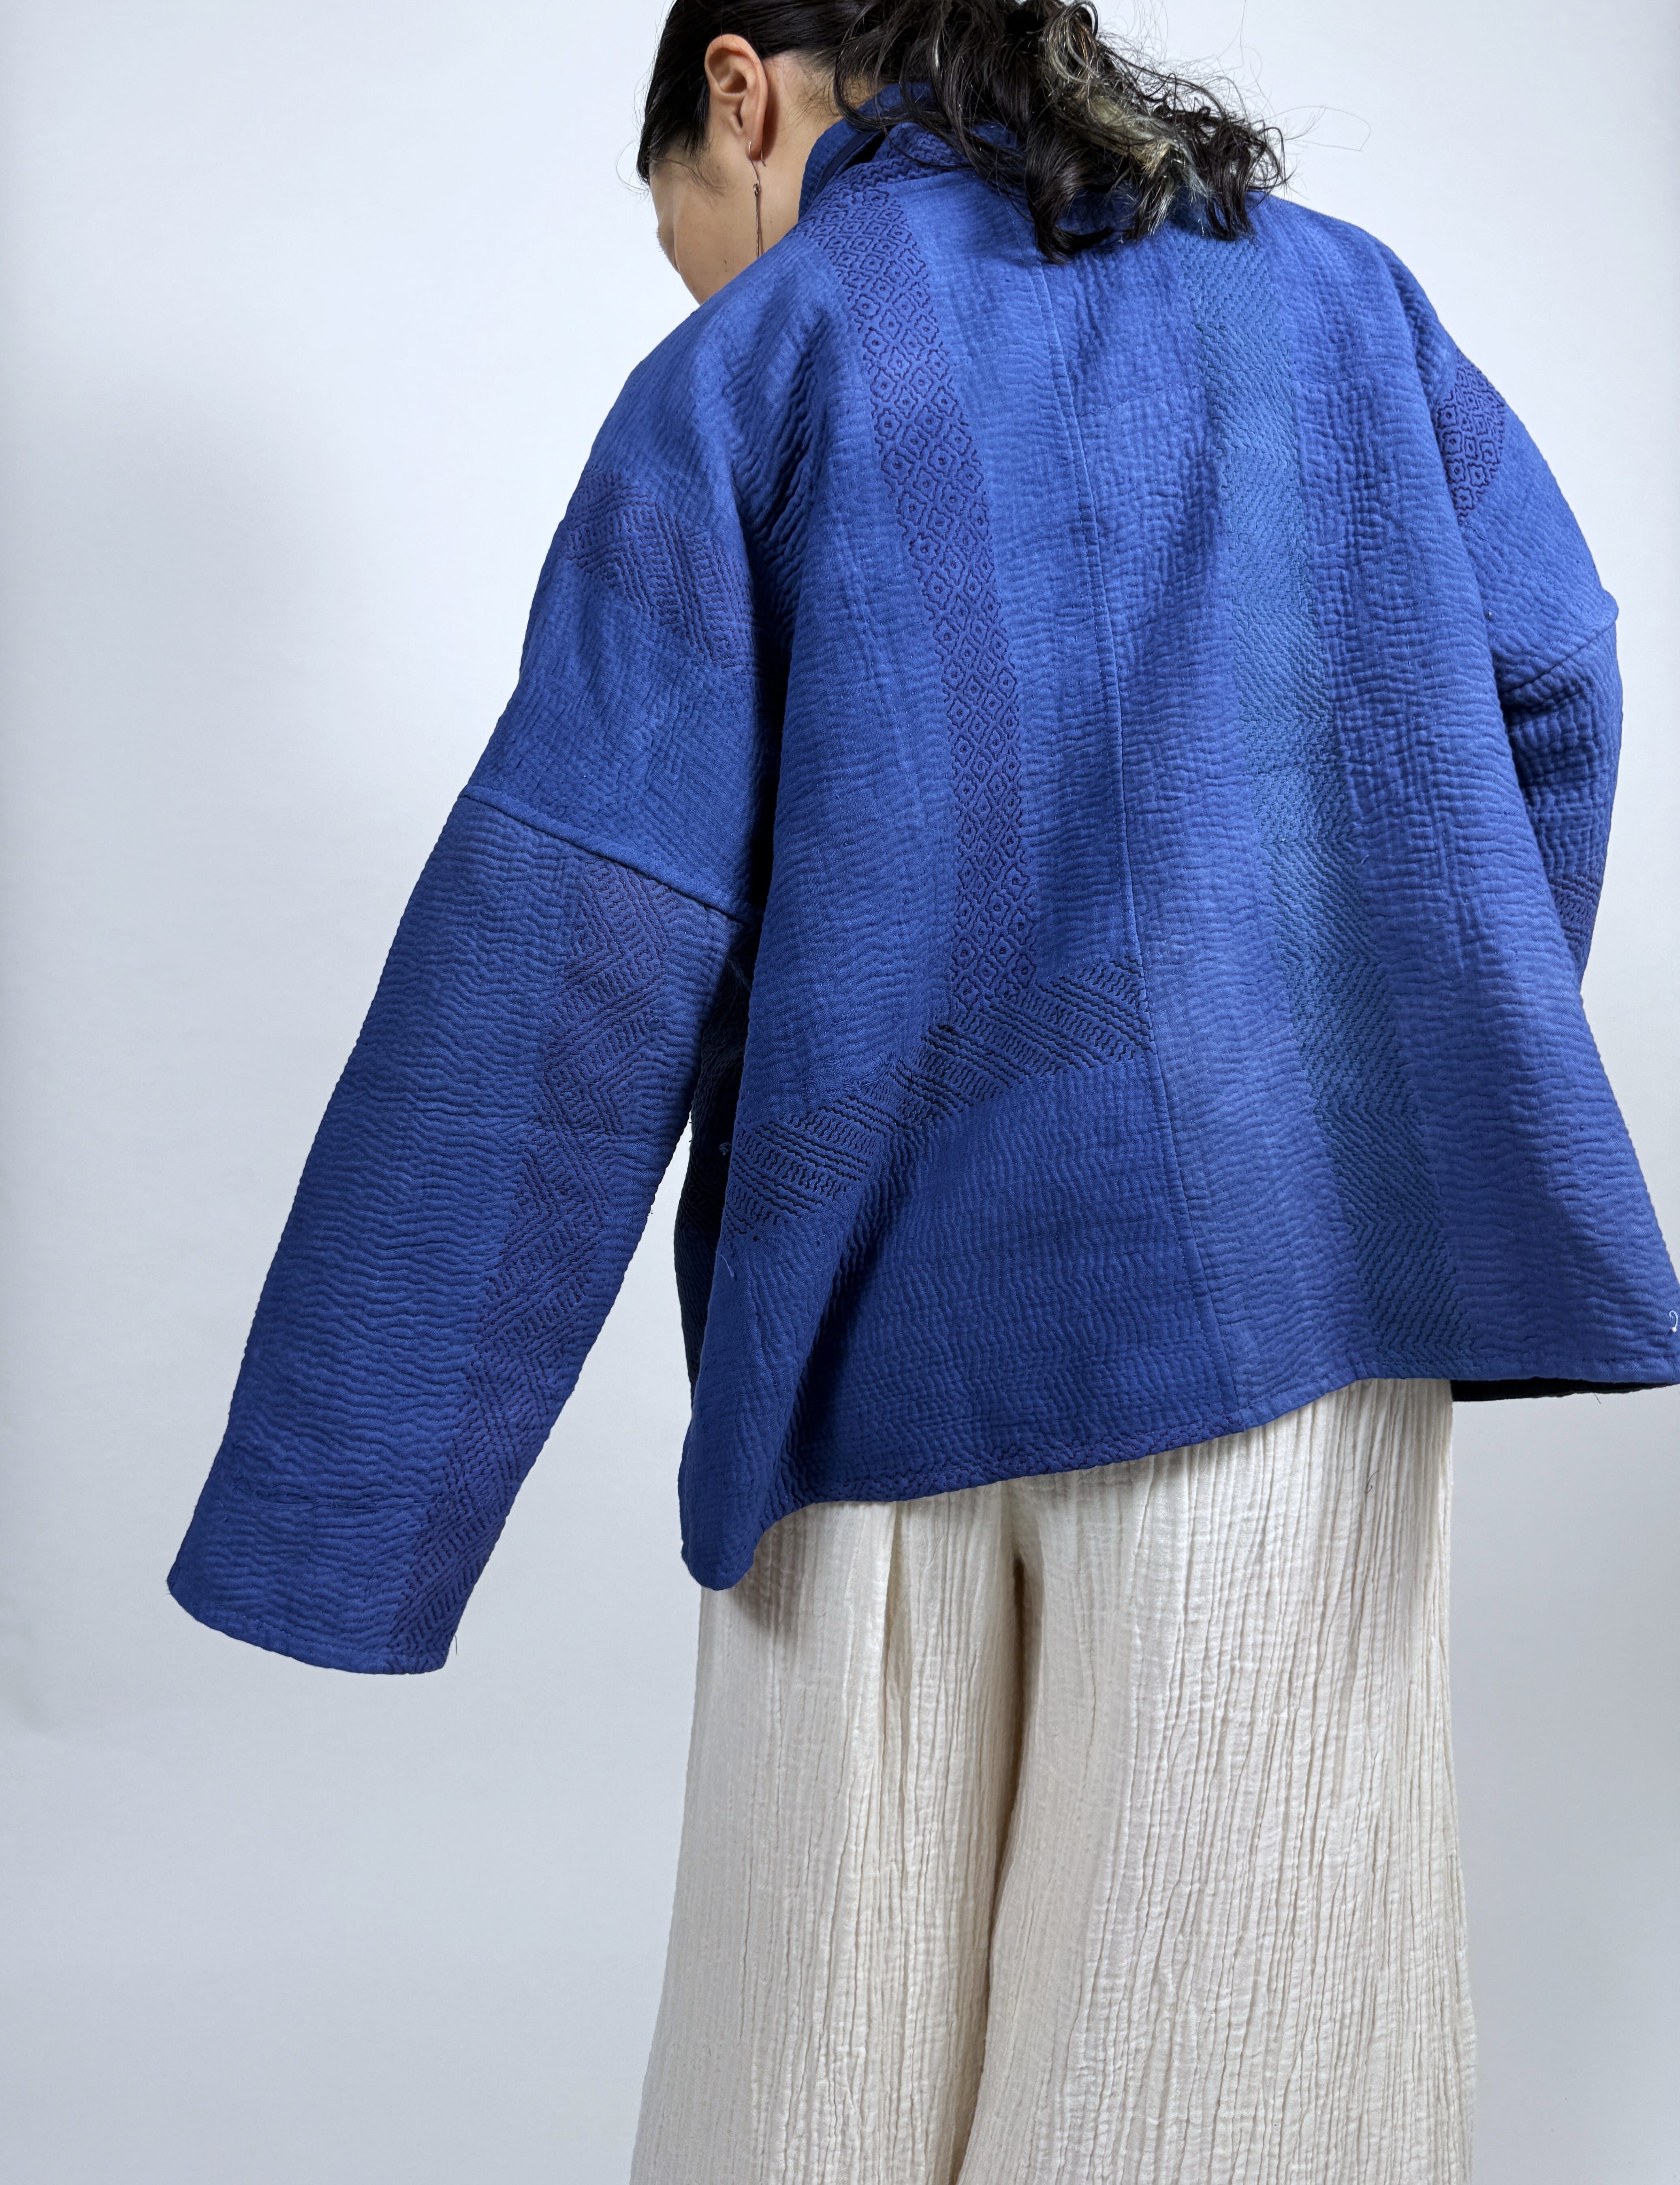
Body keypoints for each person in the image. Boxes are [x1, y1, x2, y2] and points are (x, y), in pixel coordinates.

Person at [167, 2, 1679, 2178]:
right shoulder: (1341, 304)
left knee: (823, 2061)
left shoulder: (759, 366)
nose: (707, 278)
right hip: (1288, 1303)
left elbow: (575, 935)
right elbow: (1552, 674)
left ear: (739, 89)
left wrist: (350, 1511)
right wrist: (1397, 1092)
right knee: (1227, 2069)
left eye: (689, 228)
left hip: (875, 1339)